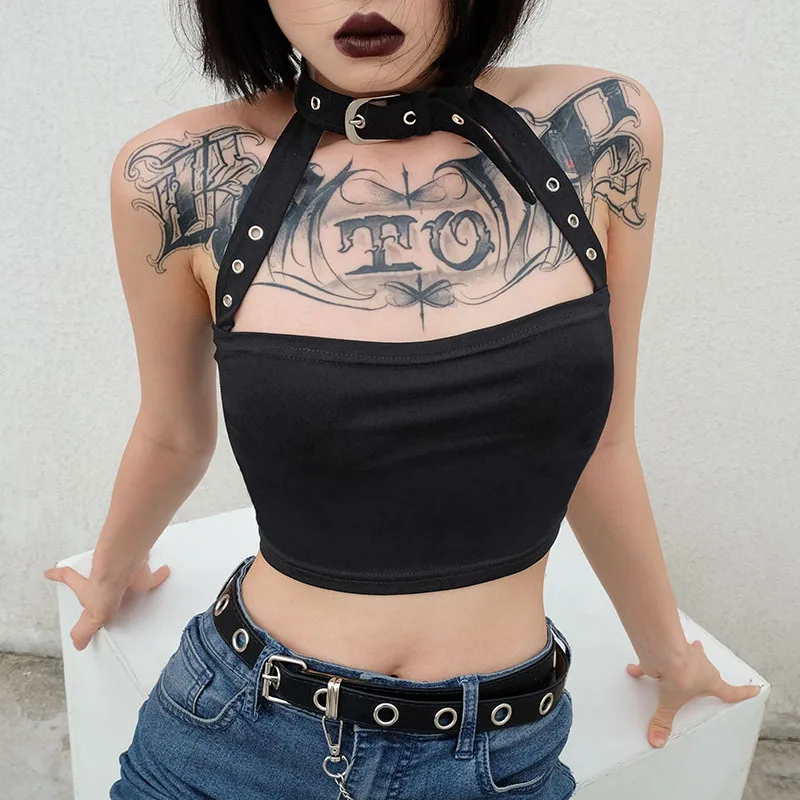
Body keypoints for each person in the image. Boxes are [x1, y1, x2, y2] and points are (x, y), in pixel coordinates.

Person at [45, 1, 761, 798]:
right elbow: (174, 434)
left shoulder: (599, 126)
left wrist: (666, 652)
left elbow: (604, 442)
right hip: (235, 727)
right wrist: (110, 572)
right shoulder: (176, 174)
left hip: (498, 753)